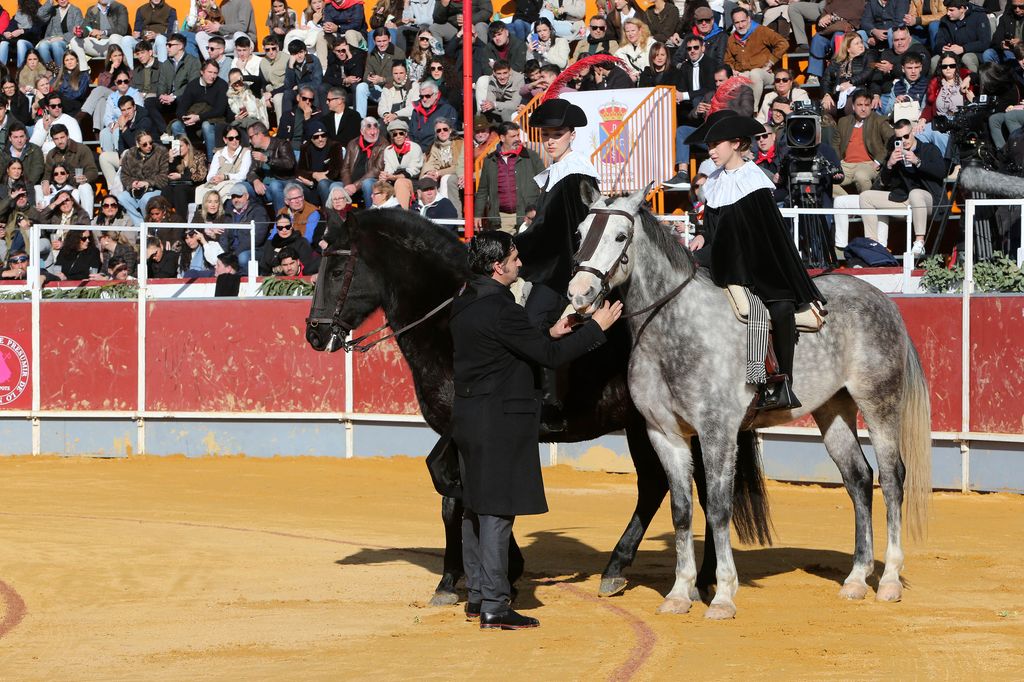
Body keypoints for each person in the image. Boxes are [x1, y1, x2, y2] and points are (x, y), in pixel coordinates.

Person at [450, 230, 621, 630]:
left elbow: (503, 348)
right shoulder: (503, 307)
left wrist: (547, 331)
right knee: (496, 512)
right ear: (497, 266)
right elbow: (551, 358)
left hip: (470, 416)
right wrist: (596, 327)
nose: (520, 263)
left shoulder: (464, 302)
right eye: (514, 258)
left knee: (474, 506)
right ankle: (494, 604)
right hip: (500, 421)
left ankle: (477, 595)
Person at [686, 110, 826, 410]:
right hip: (724, 259)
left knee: (780, 304)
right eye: (708, 145)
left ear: (736, 143)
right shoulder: (713, 181)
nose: (710, 150)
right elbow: (716, 227)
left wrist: (709, 250)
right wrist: (702, 236)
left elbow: (759, 235)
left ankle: (782, 382)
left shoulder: (753, 181)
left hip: (757, 262)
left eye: (717, 143)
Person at [857, 118, 945, 257]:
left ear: (912, 133)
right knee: (865, 197)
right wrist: (890, 165)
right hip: (904, 199)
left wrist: (918, 161)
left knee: (916, 194)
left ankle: (919, 243)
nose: (904, 141)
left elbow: (941, 172)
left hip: (929, 200)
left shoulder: (928, 149)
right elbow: (884, 182)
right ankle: (872, 244)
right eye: (899, 138)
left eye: (906, 136)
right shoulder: (894, 152)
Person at [475, 121, 544, 233]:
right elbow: (482, 190)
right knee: (505, 250)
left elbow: (546, 184)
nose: (517, 139)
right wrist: (477, 214)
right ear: (502, 138)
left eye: (518, 135)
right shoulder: (489, 161)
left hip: (528, 217)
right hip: (502, 218)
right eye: (513, 136)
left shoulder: (531, 156)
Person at [116, 131, 169, 225]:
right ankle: (139, 224)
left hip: (155, 189)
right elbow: (124, 175)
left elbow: (164, 176)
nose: (149, 146)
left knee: (145, 199)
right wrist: (132, 183)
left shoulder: (161, 152)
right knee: (122, 197)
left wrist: (147, 183)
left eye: (150, 143)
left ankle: (148, 223)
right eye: (145, 144)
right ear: (138, 144)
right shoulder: (130, 154)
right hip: (135, 190)